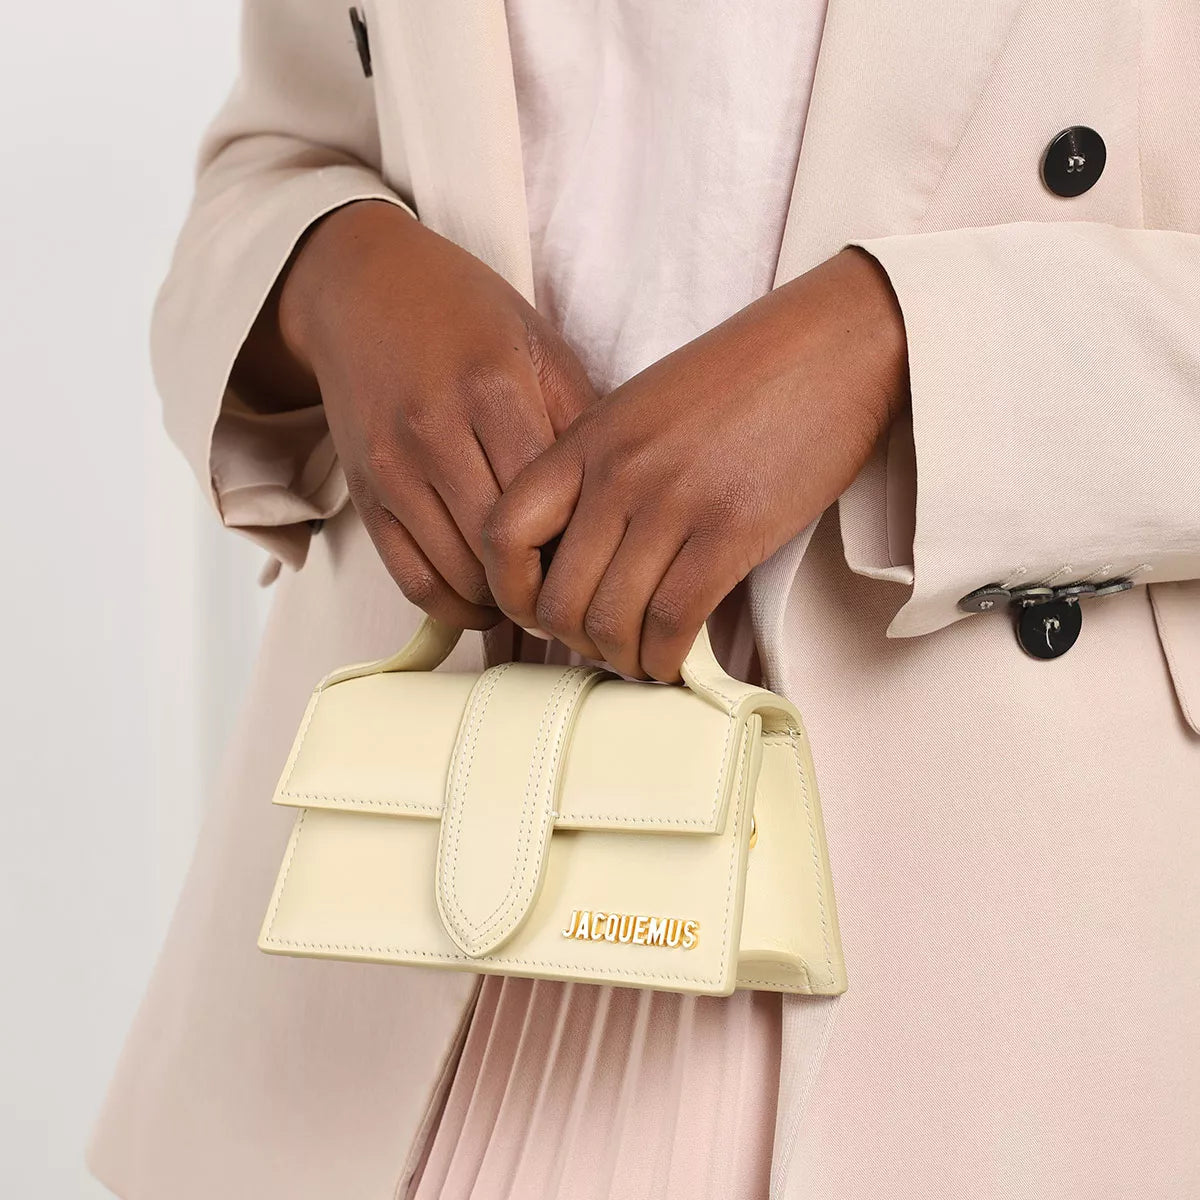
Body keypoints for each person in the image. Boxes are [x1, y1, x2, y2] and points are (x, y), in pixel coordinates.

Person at [90, 2, 1200, 1198]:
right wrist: (341, 273)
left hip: (989, 919)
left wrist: (897, 346)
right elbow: (278, 150)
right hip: (420, 894)